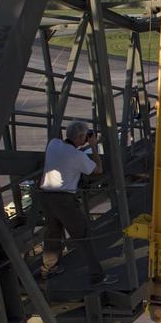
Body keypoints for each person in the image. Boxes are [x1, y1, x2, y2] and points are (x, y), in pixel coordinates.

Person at [39, 121, 113, 285]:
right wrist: (93, 146)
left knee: (53, 233)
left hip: (45, 196)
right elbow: (98, 170)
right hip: (63, 199)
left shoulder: (53, 144)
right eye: (85, 136)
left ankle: (48, 268)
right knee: (82, 235)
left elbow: (63, 146)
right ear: (80, 137)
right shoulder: (77, 156)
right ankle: (97, 276)